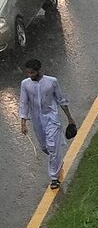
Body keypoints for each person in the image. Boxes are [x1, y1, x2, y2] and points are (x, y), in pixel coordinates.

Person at [18, 59, 75, 187]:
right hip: (37, 121)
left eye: (32, 72)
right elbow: (23, 103)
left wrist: (69, 118)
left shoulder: (52, 82)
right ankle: (57, 161)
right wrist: (23, 123)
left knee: (52, 147)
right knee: (45, 147)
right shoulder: (25, 84)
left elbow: (61, 100)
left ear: (38, 71)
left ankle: (54, 178)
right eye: (28, 73)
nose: (30, 75)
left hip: (52, 118)